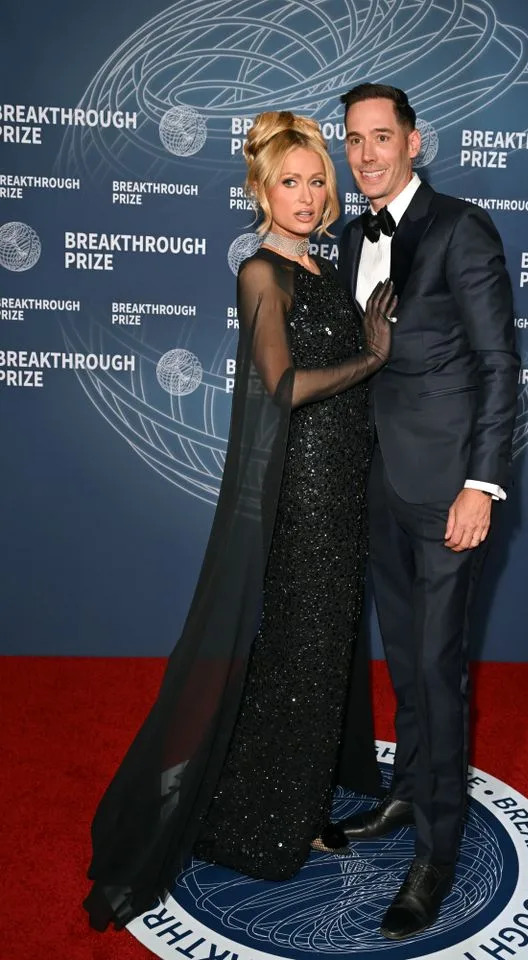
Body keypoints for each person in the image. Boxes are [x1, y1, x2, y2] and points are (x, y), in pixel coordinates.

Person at [83, 111, 397, 931]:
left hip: (344, 488)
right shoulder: (263, 273)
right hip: (302, 494)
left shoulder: (324, 267)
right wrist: (370, 356)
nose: (306, 194)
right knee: (295, 653)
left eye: (316, 179)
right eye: (288, 182)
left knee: (321, 654)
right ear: (260, 189)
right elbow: (282, 387)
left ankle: (296, 804)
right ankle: (254, 827)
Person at [331, 84, 520, 940]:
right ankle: (409, 793)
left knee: (441, 679)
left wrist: (482, 485)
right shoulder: (344, 238)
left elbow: (498, 365)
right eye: (354, 141)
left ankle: (434, 859)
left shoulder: (460, 228)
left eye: (382, 137)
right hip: (376, 486)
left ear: (415, 142)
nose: (367, 155)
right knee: (405, 662)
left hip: (449, 492)